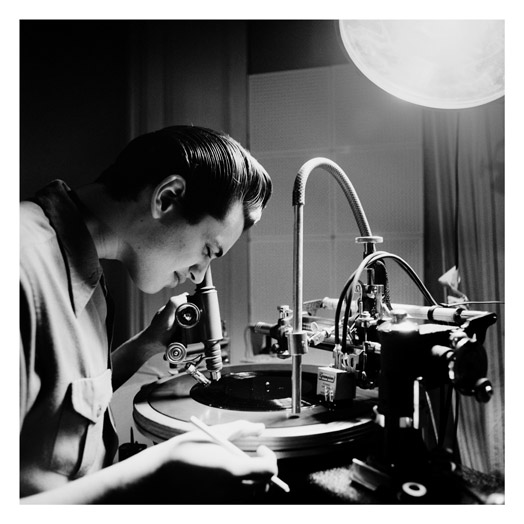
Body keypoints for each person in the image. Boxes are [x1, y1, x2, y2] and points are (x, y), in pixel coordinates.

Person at [19, 125, 276, 503]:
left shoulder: (87, 272)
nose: (198, 275)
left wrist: (146, 345)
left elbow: (60, 408)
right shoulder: (20, 266)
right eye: (208, 250)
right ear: (167, 198)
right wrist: (156, 475)